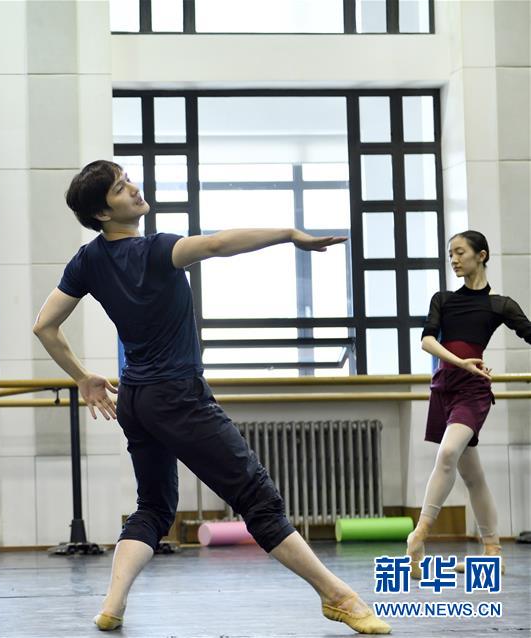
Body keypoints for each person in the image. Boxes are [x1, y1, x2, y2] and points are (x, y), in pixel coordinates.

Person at [33, 160, 391, 634]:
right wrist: (289, 234)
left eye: (128, 180)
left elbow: (44, 325)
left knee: (153, 507)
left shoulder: (88, 260)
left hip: (135, 398)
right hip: (177, 396)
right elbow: (219, 244)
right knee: (258, 499)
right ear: (103, 212)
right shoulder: (157, 250)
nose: (134, 189)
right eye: (121, 188)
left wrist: (82, 377)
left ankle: (112, 605)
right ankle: (338, 596)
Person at [407, 230, 531, 578]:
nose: (454, 259)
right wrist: (460, 362)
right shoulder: (443, 299)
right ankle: (493, 551)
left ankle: (418, 536)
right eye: (451, 254)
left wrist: (465, 366)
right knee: (472, 475)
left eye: (460, 252)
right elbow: (427, 341)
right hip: (444, 388)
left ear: (482, 255)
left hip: (472, 391)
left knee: (447, 453)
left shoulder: (499, 305)